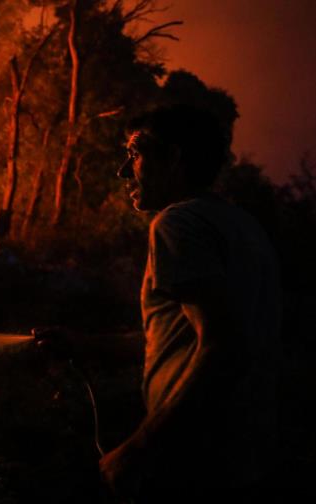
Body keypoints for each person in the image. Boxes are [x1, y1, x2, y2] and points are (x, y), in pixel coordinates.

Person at [99, 105, 281, 500]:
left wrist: (138, 448)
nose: (123, 171)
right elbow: (190, 339)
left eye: (135, 154)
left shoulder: (177, 224)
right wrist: (85, 345)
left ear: (174, 158)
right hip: (247, 456)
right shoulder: (242, 225)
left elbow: (223, 347)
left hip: (194, 464)